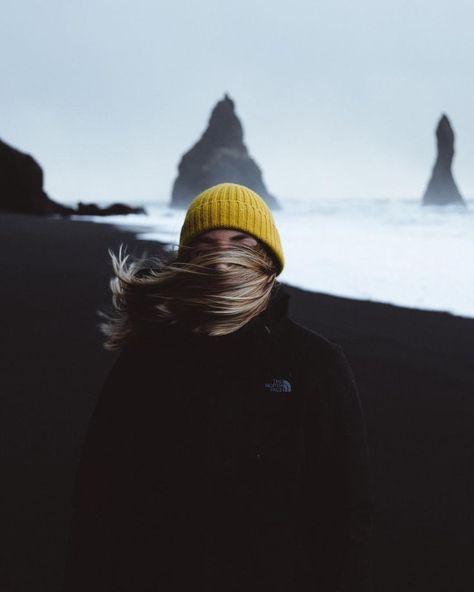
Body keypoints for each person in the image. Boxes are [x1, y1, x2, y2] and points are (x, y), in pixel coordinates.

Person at [63, 182, 374, 592]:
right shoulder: (148, 359)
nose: (223, 257)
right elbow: (99, 494)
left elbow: (345, 511)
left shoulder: (314, 364)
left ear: (267, 256)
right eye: (207, 244)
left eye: (240, 241)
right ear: (188, 258)